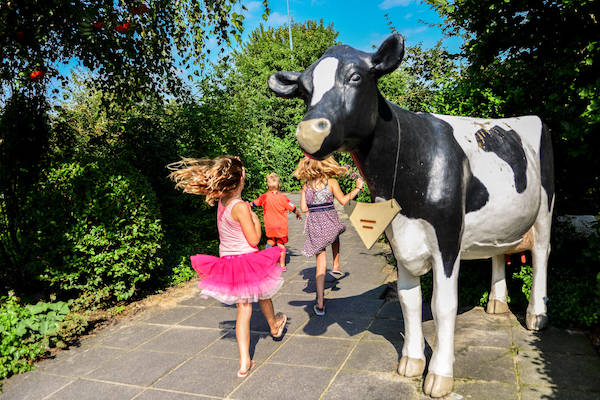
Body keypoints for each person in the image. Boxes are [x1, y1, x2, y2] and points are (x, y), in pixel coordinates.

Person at [168, 155, 287, 378]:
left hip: (229, 262)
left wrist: (234, 161)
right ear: (240, 180)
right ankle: (273, 326)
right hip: (247, 260)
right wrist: (256, 222)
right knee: (262, 296)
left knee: (245, 308)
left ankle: (245, 362)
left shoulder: (222, 201)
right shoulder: (241, 207)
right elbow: (253, 240)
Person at [293, 156, 364, 316]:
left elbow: (304, 208)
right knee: (337, 231)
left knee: (320, 265)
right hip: (331, 224)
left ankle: (319, 303)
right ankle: (337, 264)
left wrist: (315, 208)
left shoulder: (306, 186)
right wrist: (358, 188)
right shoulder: (331, 183)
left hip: (316, 229)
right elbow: (345, 201)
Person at [251, 173, 302, 271]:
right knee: (281, 245)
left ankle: (267, 261)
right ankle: (282, 265)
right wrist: (297, 213)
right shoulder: (283, 198)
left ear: (267, 187)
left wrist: (248, 205)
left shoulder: (264, 196)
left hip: (270, 227)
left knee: (270, 242)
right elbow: (292, 207)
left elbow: (254, 203)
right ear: (279, 186)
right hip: (281, 228)